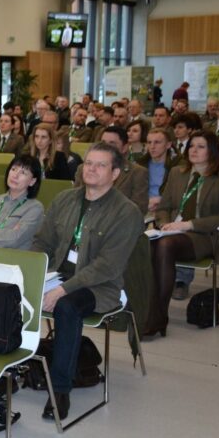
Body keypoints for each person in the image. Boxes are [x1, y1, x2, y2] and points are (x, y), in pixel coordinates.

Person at [33, 142, 143, 420]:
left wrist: (63, 289)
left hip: (99, 286)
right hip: (57, 274)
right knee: (12, 292)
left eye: (100, 165)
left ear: (115, 173)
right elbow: (43, 242)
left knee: (67, 307)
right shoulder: (65, 199)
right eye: (88, 163)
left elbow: (107, 266)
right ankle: (4, 377)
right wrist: (32, 273)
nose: (90, 169)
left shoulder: (126, 212)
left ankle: (60, 388)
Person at [147, 131, 219, 337]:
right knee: (148, 244)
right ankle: (150, 314)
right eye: (191, 146)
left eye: (200, 146)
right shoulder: (177, 173)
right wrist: (163, 224)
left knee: (164, 246)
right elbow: (164, 207)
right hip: (171, 233)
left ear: (212, 151)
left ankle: (156, 318)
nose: (193, 150)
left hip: (205, 236)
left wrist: (189, 225)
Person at [75, 126, 149, 215]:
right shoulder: (84, 169)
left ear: (124, 147)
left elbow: (138, 209)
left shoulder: (137, 172)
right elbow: (76, 200)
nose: (105, 147)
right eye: (103, 143)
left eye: (112, 144)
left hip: (119, 222)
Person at [138, 127, 179, 214]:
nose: (152, 146)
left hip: (167, 209)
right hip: (142, 208)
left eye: (157, 142)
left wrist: (161, 200)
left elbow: (179, 194)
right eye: (149, 142)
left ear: (168, 145)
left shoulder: (178, 166)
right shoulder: (140, 165)